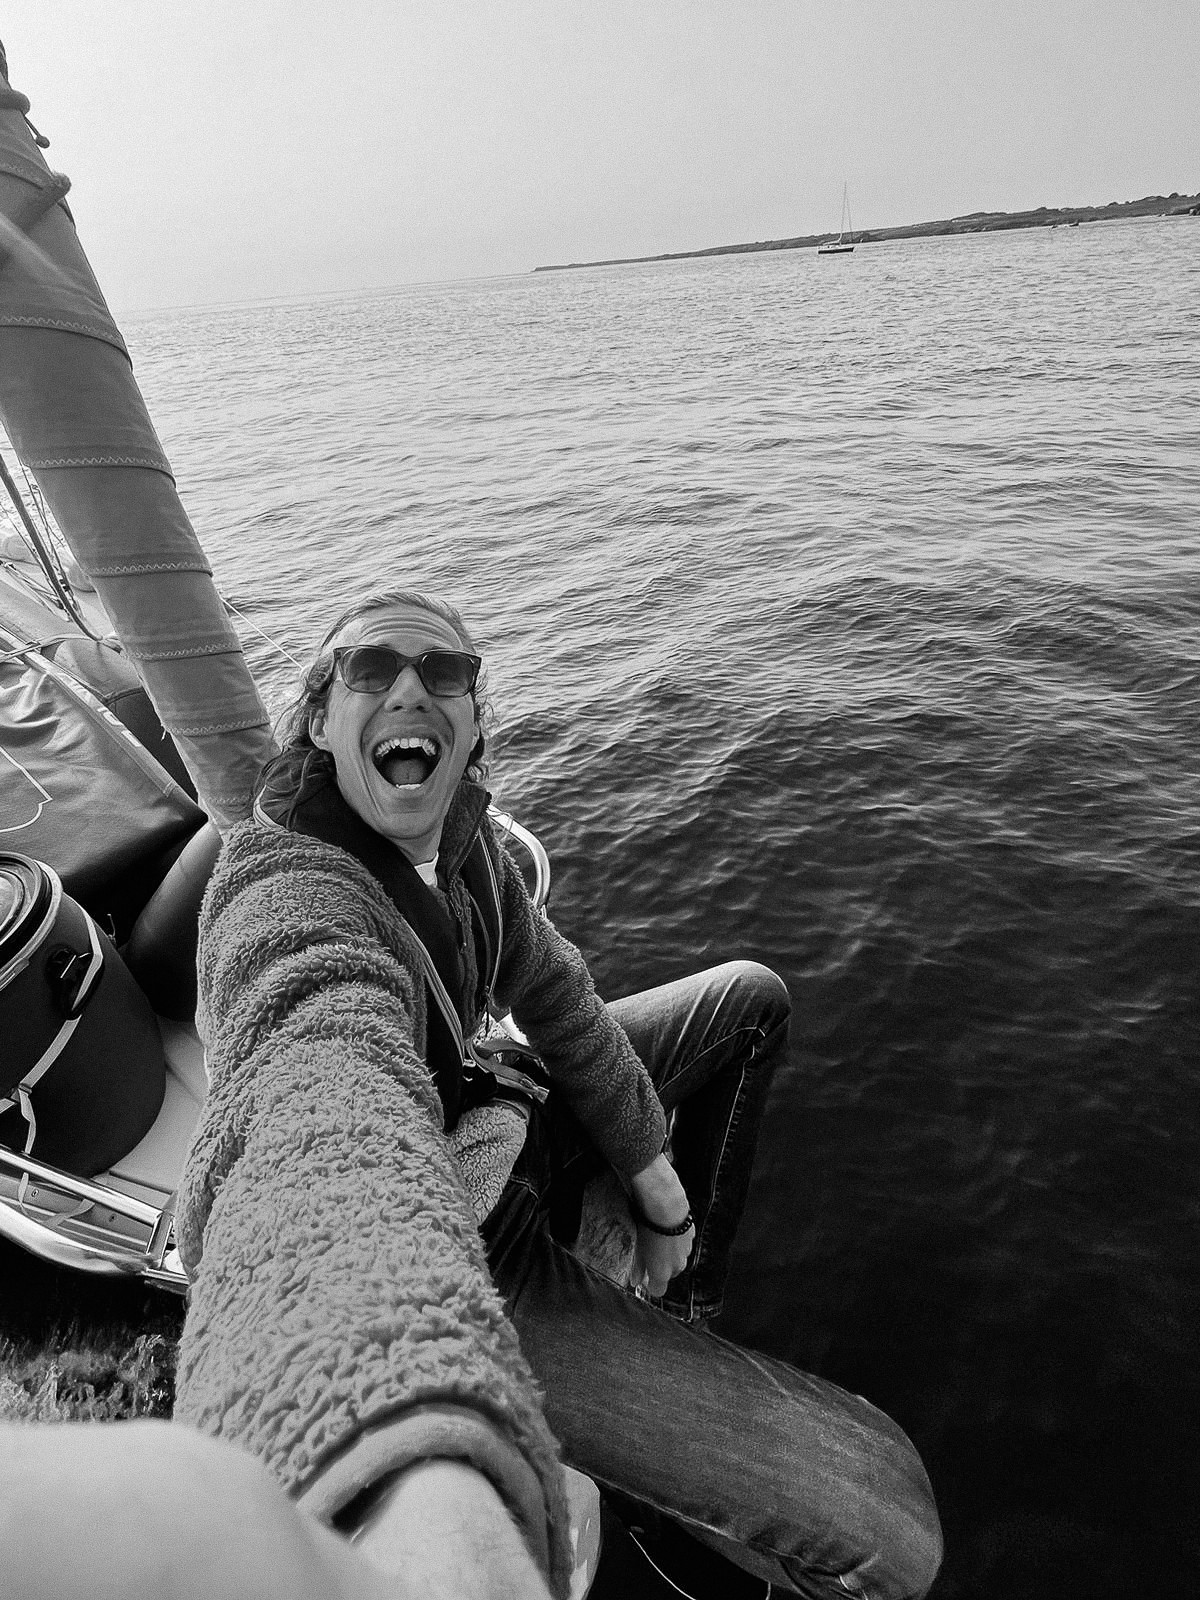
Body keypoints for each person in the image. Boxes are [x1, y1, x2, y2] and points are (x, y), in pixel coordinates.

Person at [175, 587, 942, 1600]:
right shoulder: (292, 897)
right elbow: (316, 1104)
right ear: (320, 717)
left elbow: (558, 997)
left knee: (748, 1002)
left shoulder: (461, 844)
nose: (412, 687)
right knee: (890, 1526)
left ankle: (682, 1313)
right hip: (458, 1238)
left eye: (445, 672)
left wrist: (654, 1178)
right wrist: (388, 1436)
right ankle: (674, 1501)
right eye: (371, 668)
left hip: (501, 1112)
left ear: (475, 716)